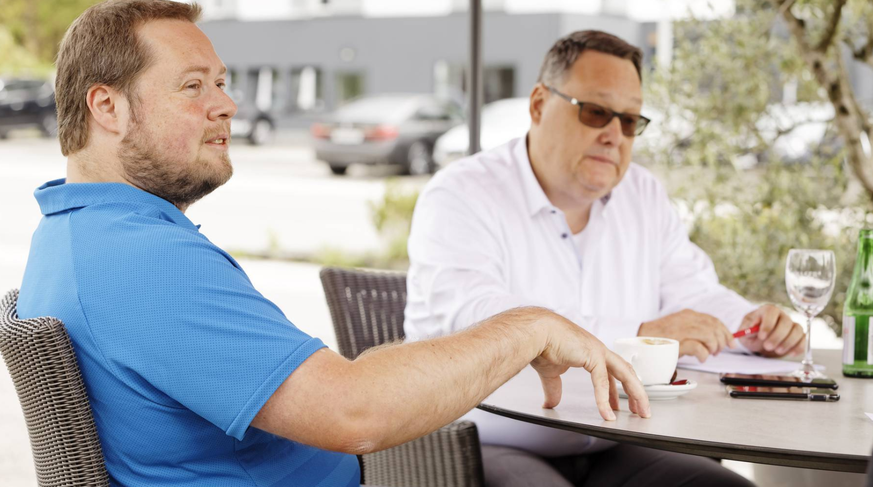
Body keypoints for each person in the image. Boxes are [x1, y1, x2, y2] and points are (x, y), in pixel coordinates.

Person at [15, 2, 651, 486]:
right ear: (108, 107)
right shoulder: (137, 257)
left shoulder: (73, 231)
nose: (228, 104)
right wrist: (530, 326)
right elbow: (356, 413)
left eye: (223, 82)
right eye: (194, 86)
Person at [403, 30, 790, 486]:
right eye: (596, 112)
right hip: (487, 441)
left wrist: (754, 324)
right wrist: (637, 337)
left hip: (616, 441)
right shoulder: (462, 194)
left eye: (629, 122)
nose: (613, 135)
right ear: (539, 105)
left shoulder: (642, 194)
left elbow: (694, 290)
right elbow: (477, 319)